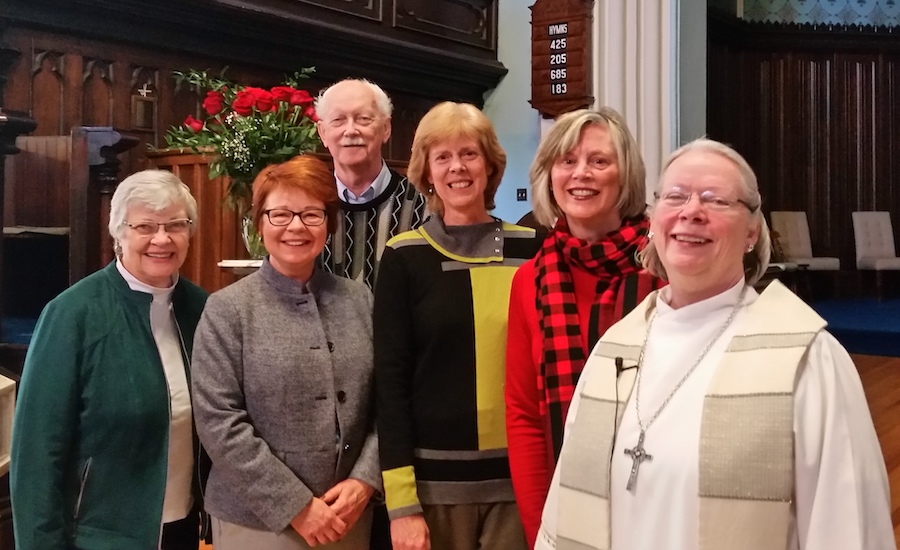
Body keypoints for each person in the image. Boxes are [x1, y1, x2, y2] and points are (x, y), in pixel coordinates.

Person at [536, 138, 896, 550]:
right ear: (654, 223)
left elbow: (849, 528)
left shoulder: (809, 360)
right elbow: (565, 508)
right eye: (675, 196)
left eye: (716, 200)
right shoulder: (614, 349)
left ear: (751, 232)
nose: (691, 211)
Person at [10, 170, 209, 550]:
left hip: (182, 529)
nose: (162, 239)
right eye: (145, 226)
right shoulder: (73, 315)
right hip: (98, 536)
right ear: (118, 233)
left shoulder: (201, 309)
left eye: (175, 225)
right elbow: (36, 455)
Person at [191, 155, 380, 550]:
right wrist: (295, 505)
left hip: (348, 514)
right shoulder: (228, 309)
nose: (296, 226)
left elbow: (387, 402)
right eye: (280, 214)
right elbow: (219, 422)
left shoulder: (359, 300)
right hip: (258, 522)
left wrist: (366, 479)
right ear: (260, 224)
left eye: (311, 214)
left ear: (328, 224)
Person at [375, 101, 541, 550]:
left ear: (490, 165)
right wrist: (402, 505)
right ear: (426, 172)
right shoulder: (404, 257)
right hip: (434, 490)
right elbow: (390, 388)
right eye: (442, 157)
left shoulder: (535, 250)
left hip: (520, 482)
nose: (457, 167)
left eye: (469, 153)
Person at [505, 107, 665, 547]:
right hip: (566, 504)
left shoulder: (665, 267)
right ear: (549, 175)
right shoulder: (529, 282)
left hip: (660, 503)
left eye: (599, 161)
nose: (582, 174)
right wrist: (543, 528)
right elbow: (524, 416)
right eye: (567, 161)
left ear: (625, 173)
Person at [315, 78, 427, 290]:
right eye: (338, 120)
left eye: (363, 119)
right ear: (323, 133)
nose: (350, 130)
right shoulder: (307, 205)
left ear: (386, 128)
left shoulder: (423, 204)